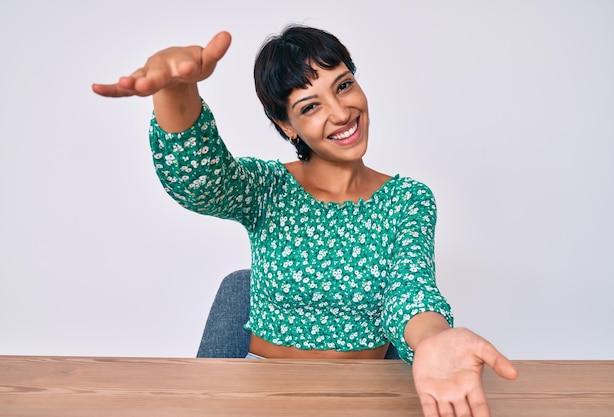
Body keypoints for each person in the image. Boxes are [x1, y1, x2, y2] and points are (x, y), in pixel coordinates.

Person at [93, 24, 518, 417]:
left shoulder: (408, 200)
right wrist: (177, 91)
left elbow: (409, 292)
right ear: (286, 124)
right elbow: (201, 180)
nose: (340, 112)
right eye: (310, 106)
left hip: (365, 400)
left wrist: (434, 341)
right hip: (260, 398)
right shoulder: (267, 188)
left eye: (344, 85)